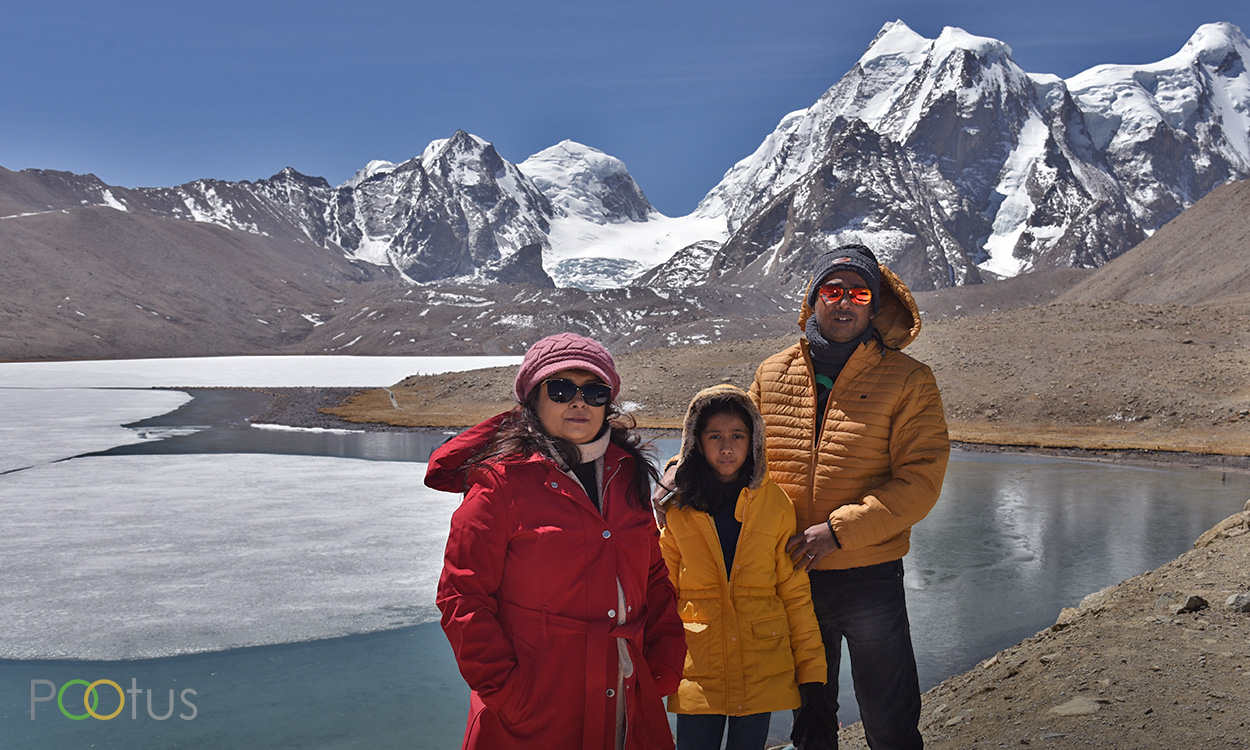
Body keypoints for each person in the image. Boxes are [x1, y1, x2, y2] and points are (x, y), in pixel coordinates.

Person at [426, 332, 687, 750]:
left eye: (594, 391)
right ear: (533, 398)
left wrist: (665, 658)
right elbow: (462, 595)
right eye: (562, 388)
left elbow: (653, 576)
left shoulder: (627, 474)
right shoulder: (501, 481)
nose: (579, 402)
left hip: (626, 695)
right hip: (534, 711)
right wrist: (508, 692)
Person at [751, 243, 950, 749]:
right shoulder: (772, 374)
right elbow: (728, 452)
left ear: (874, 302)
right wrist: (676, 473)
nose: (844, 302)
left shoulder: (909, 380)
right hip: (794, 572)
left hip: (869, 576)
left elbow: (921, 481)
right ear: (812, 298)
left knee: (889, 719)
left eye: (858, 292)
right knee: (811, 721)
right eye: (832, 290)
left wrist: (839, 532)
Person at [655, 384, 832, 750]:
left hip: (762, 669)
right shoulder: (677, 508)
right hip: (699, 668)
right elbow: (660, 593)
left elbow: (795, 597)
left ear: (753, 439)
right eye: (714, 436)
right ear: (695, 441)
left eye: (737, 435)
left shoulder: (776, 504)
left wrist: (813, 681)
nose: (726, 447)